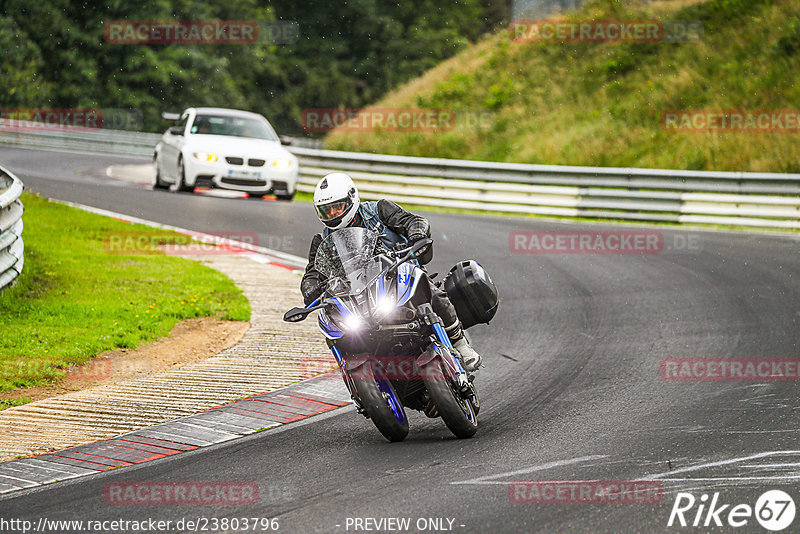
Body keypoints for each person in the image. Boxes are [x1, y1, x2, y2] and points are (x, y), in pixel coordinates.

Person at [301, 173, 482, 372]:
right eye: (326, 211)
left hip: (400, 274)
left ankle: (459, 343)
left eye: (337, 207)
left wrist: (416, 234)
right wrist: (310, 287)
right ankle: (364, 376)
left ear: (351, 199)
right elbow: (313, 273)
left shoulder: (379, 210)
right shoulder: (321, 240)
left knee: (431, 291)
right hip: (361, 296)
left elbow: (413, 221)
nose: (333, 214)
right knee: (339, 329)